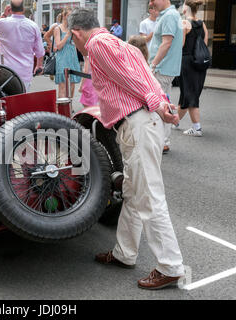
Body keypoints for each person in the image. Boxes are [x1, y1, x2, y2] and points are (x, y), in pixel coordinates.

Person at [68, 7, 185, 290]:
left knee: (148, 197)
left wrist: (157, 104)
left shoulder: (96, 45)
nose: (76, 46)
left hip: (137, 122)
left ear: (76, 34)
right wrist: (160, 102)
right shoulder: (119, 43)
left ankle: (170, 266)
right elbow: (145, 75)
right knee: (134, 193)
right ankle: (124, 253)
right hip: (143, 123)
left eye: (73, 41)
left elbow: (129, 80)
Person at [149, 0, 183, 153]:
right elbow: (178, 42)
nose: (151, 2)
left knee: (159, 105)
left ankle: (161, 141)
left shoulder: (169, 15)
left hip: (161, 69)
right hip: (167, 68)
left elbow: (166, 43)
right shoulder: (173, 15)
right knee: (165, 103)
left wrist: (153, 65)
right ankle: (163, 140)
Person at [0, 0, 44, 91]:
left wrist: (4, 15)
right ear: (23, 9)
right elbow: (40, 51)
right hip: (25, 72)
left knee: (6, 100)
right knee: (22, 100)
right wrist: (39, 65)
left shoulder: (3, 23)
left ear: (10, 9)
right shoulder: (33, 26)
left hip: (6, 72)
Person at [176, 0, 208, 137]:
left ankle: (197, 128)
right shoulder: (202, 24)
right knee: (186, 94)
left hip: (187, 61)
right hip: (200, 62)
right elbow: (205, 43)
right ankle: (174, 121)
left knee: (190, 94)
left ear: (186, 8)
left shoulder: (184, 23)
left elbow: (181, 45)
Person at [53, 7, 81, 99]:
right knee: (62, 85)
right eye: (69, 16)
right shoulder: (58, 29)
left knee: (72, 84)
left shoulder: (73, 28)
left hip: (72, 57)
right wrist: (67, 35)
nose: (70, 18)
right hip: (62, 58)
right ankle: (61, 108)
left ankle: (70, 106)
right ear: (64, 16)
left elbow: (77, 45)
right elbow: (59, 46)